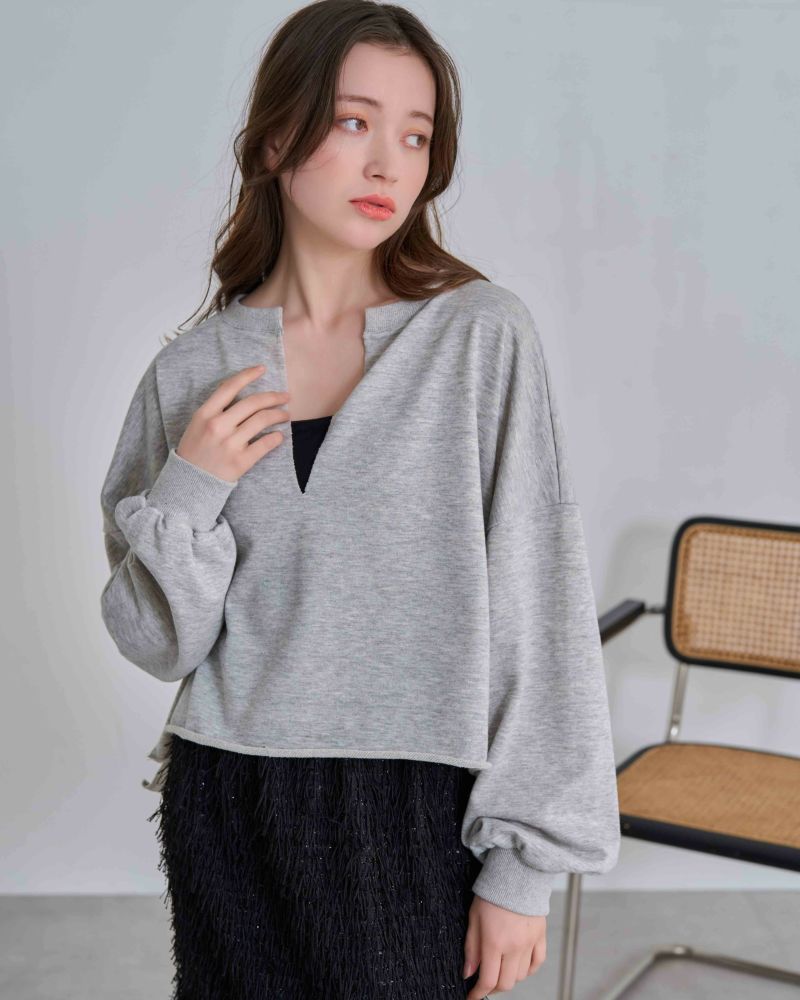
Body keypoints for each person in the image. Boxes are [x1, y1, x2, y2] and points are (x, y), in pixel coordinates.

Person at [98, 2, 621, 998]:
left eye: (415, 137)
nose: (388, 164)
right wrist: (191, 487)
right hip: (228, 795)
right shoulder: (193, 371)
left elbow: (539, 606)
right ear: (275, 139)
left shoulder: (479, 337)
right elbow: (158, 640)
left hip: (415, 803)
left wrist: (523, 866)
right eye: (353, 122)